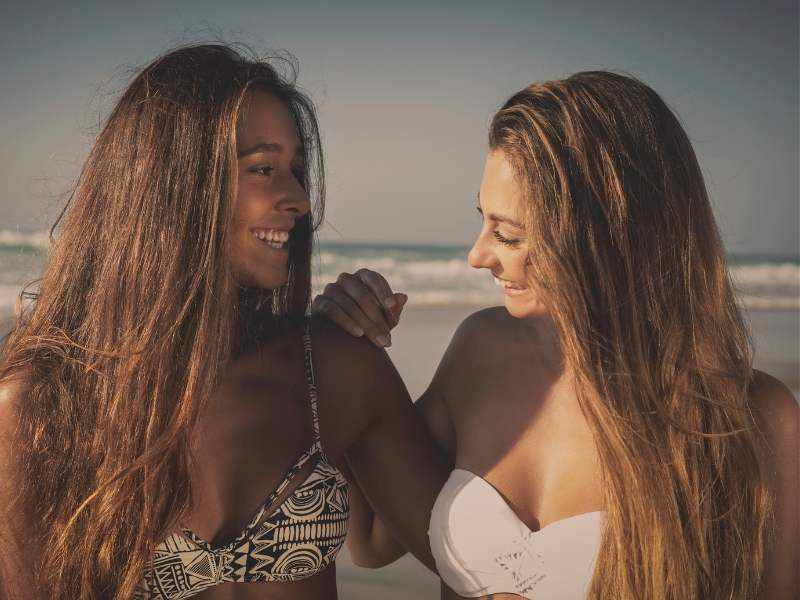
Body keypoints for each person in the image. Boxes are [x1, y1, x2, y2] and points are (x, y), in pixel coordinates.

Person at [313, 71, 799, 599]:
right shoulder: (482, 348)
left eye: (508, 234)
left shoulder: (753, 418)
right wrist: (345, 343)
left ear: (604, 235)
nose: (478, 255)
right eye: (483, 221)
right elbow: (371, 542)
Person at [0, 44, 449, 600]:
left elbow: (451, 557)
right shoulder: (39, 410)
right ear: (172, 185)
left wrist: (471, 371)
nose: (298, 199)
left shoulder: (331, 368)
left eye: (296, 171)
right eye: (263, 168)